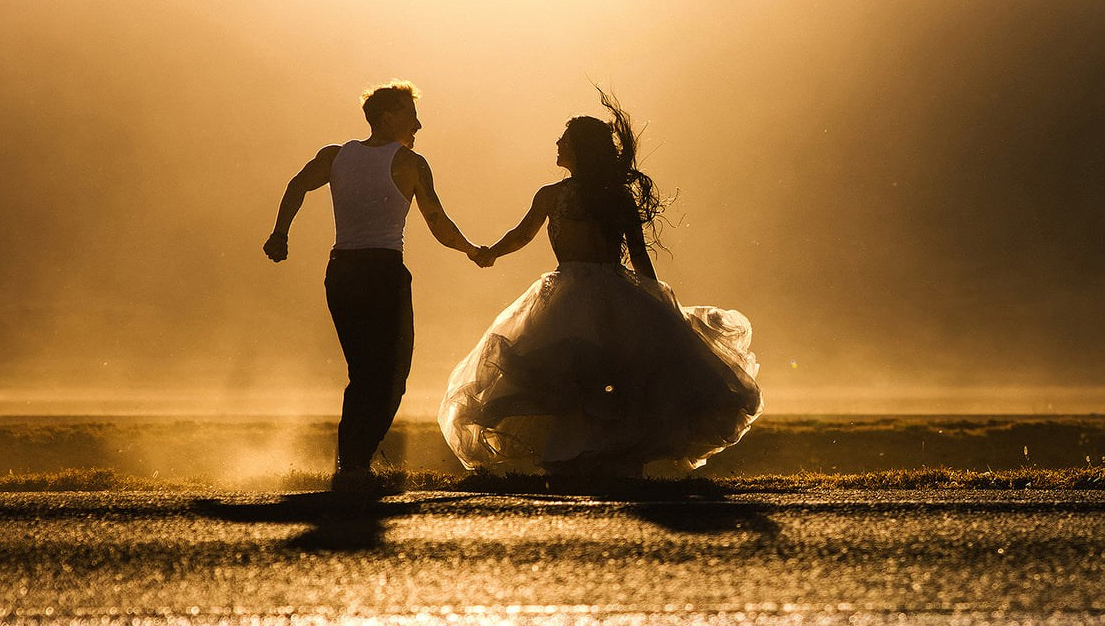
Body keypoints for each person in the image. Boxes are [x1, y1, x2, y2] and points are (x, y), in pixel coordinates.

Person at [439, 92, 761, 478]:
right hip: (612, 291)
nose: (557, 145)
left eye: (564, 140)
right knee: (610, 373)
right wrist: (655, 301)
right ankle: (600, 456)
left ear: (578, 149)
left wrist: (490, 253)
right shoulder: (608, 195)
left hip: (572, 293)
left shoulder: (558, 195)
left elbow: (523, 236)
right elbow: (634, 255)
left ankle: (584, 456)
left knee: (578, 374)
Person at [263, 81, 491, 492]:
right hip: (383, 271)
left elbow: (296, 185)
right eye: (410, 114)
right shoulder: (410, 162)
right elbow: (437, 222)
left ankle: (351, 463)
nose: (418, 124)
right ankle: (354, 462)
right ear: (387, 117)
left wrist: (281, 233)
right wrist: (473, 250)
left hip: (343, 272)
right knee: (391, 374)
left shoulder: (335, 157)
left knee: (363, 372)